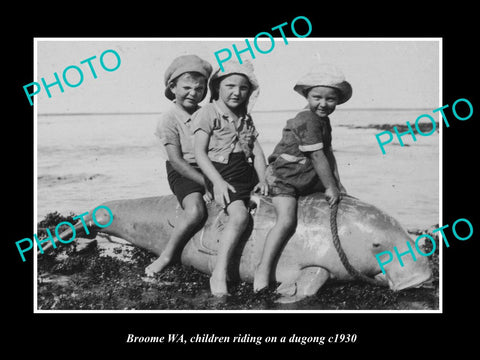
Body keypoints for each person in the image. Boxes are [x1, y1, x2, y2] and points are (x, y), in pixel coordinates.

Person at [253, 63, 352, 292]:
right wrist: (329, 187)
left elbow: (328, 153)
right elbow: (317, 156)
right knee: (286, 220)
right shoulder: (306, 119)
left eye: (330, 99)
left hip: (306, 176)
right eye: (317, 97)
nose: (323, 104)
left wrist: (337, 183)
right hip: (285, 179)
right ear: (307, 95)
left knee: (334, 203)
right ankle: (263, 268)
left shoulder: (323, 121)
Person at [193, 60, 268, 296]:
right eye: (230, 86)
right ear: (217, 87)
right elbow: (199, 154)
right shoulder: (208, 112)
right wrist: (217, 182)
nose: (237, 92)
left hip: (244, 170)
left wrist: (264, 179)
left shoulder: (245, 117)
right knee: (239, 215)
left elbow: (256, 152)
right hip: (222, 172)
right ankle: (219, 273)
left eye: (243, 88)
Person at [145, 54, 213, 276]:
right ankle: (166, 256)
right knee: (194, 210)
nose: (194, 93)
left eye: (200, 89)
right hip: (183, 171)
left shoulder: (208, 113)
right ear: (173, 87)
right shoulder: (169, 119)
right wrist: (207, 184)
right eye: (187, 87)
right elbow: (176, 160)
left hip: (211, 167)